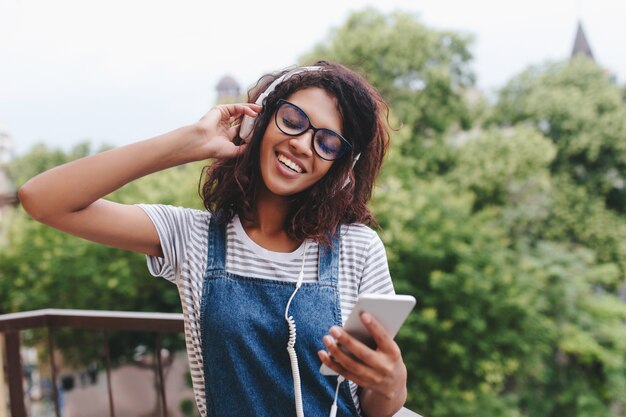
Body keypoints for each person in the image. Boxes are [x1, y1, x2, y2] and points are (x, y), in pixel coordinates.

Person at [19, 61, 408, 417]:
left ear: (338, 169)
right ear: (258, 122)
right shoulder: (192, 237)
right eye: (293, 119)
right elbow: (43, 200)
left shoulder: (358, 248)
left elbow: (375, 406)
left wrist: (392, 384)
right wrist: (190, 141)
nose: (303, 144)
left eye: (327, 143)